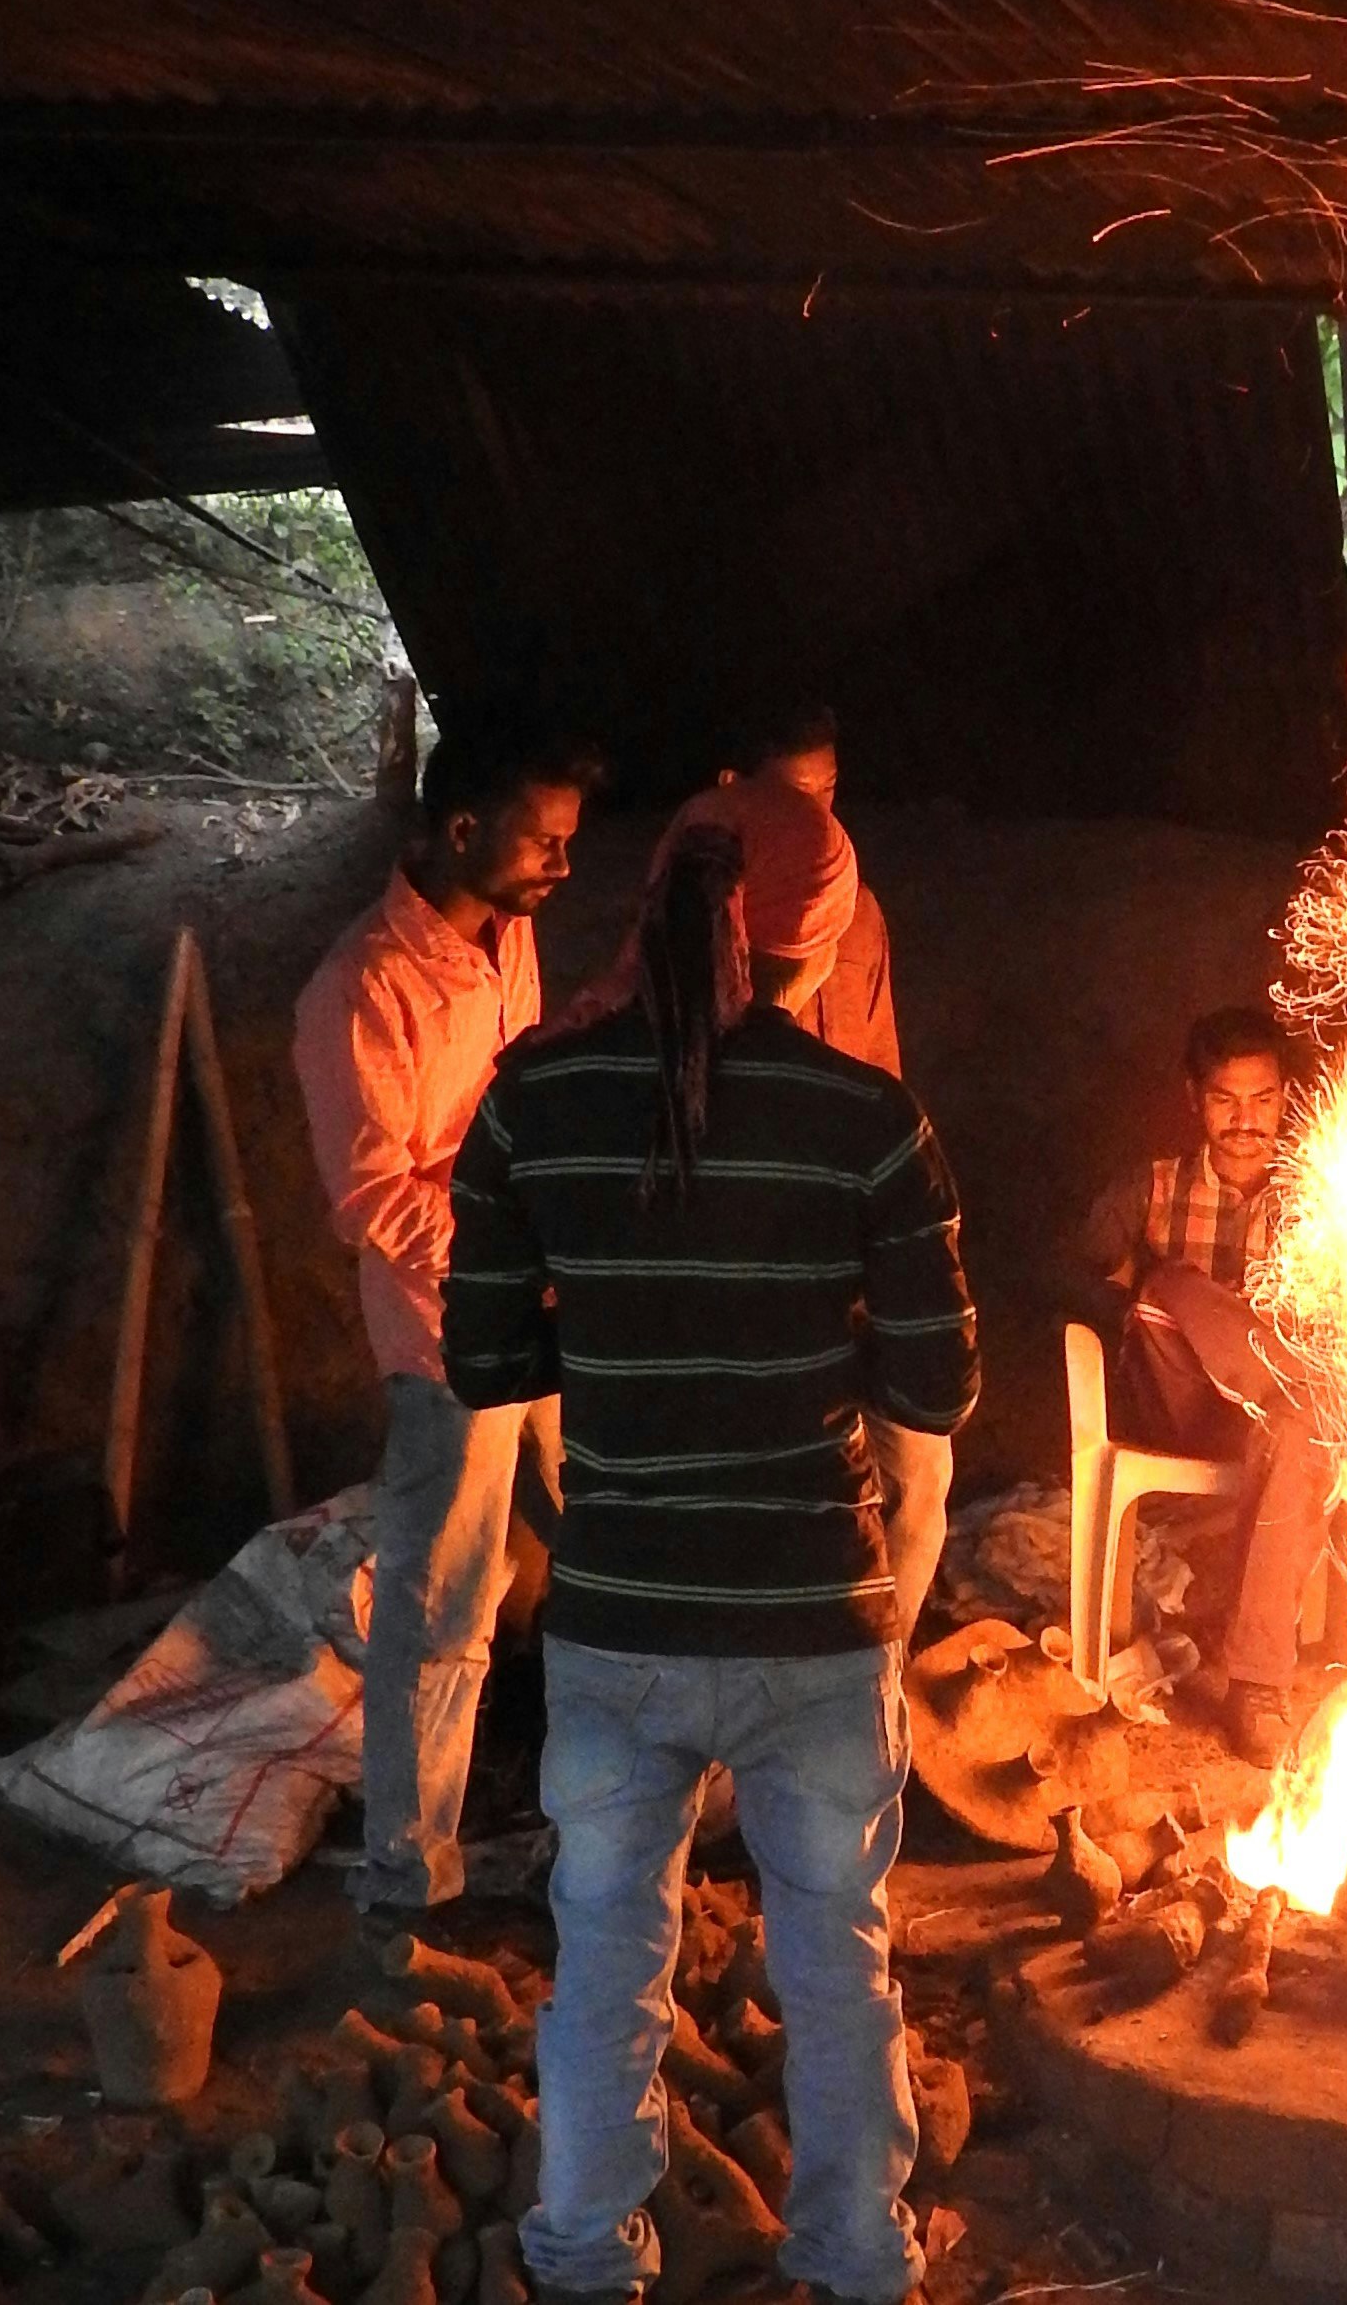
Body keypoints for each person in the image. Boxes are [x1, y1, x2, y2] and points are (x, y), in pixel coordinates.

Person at [447, 802, 976, 2305]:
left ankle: (579, 2258)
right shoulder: (868, 1123)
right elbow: (937, 1390)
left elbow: (483, 1361)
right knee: (834, 1963)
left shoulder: (527, 1103)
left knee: (606, 1956)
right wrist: (812, 1335)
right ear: (818, 942)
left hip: (618, 1625)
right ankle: (861, 2258)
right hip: (815, 1624)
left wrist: (621, 1321)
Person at [294, 726, 600, 1929]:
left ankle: (610, 1814)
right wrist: (505, 1258)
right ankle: (408, 1878)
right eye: (545, 839)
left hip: (545, 1310)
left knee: (609, 1545)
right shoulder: (359, 990)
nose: (560, 867)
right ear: (461, 827)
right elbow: (370, 1199)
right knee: (443, 1608)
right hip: (452, 1340)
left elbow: (516, 1090)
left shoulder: (505, 940)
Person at [1058, 1004, 1341, 1769]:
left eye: (1262, 1099)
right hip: (1179, 1407)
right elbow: (1078, 1281)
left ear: (1286, 1097)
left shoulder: (1319, 1198)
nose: (1245, 1120)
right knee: (1171, 1288)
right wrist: (1150, 1298)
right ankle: (1286, 1388)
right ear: (1194, 1098)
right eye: (1225, 1099)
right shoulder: (1146, 1190)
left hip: (1273, 1425)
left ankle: (1256, 1685)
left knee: (1294, 1431)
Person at [715, 704, 901, 1075]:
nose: (820, 816)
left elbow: (882, 1061)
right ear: (734, 788)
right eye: (796, 794)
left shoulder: (857, 909)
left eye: (828, 789)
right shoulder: (709, 910)